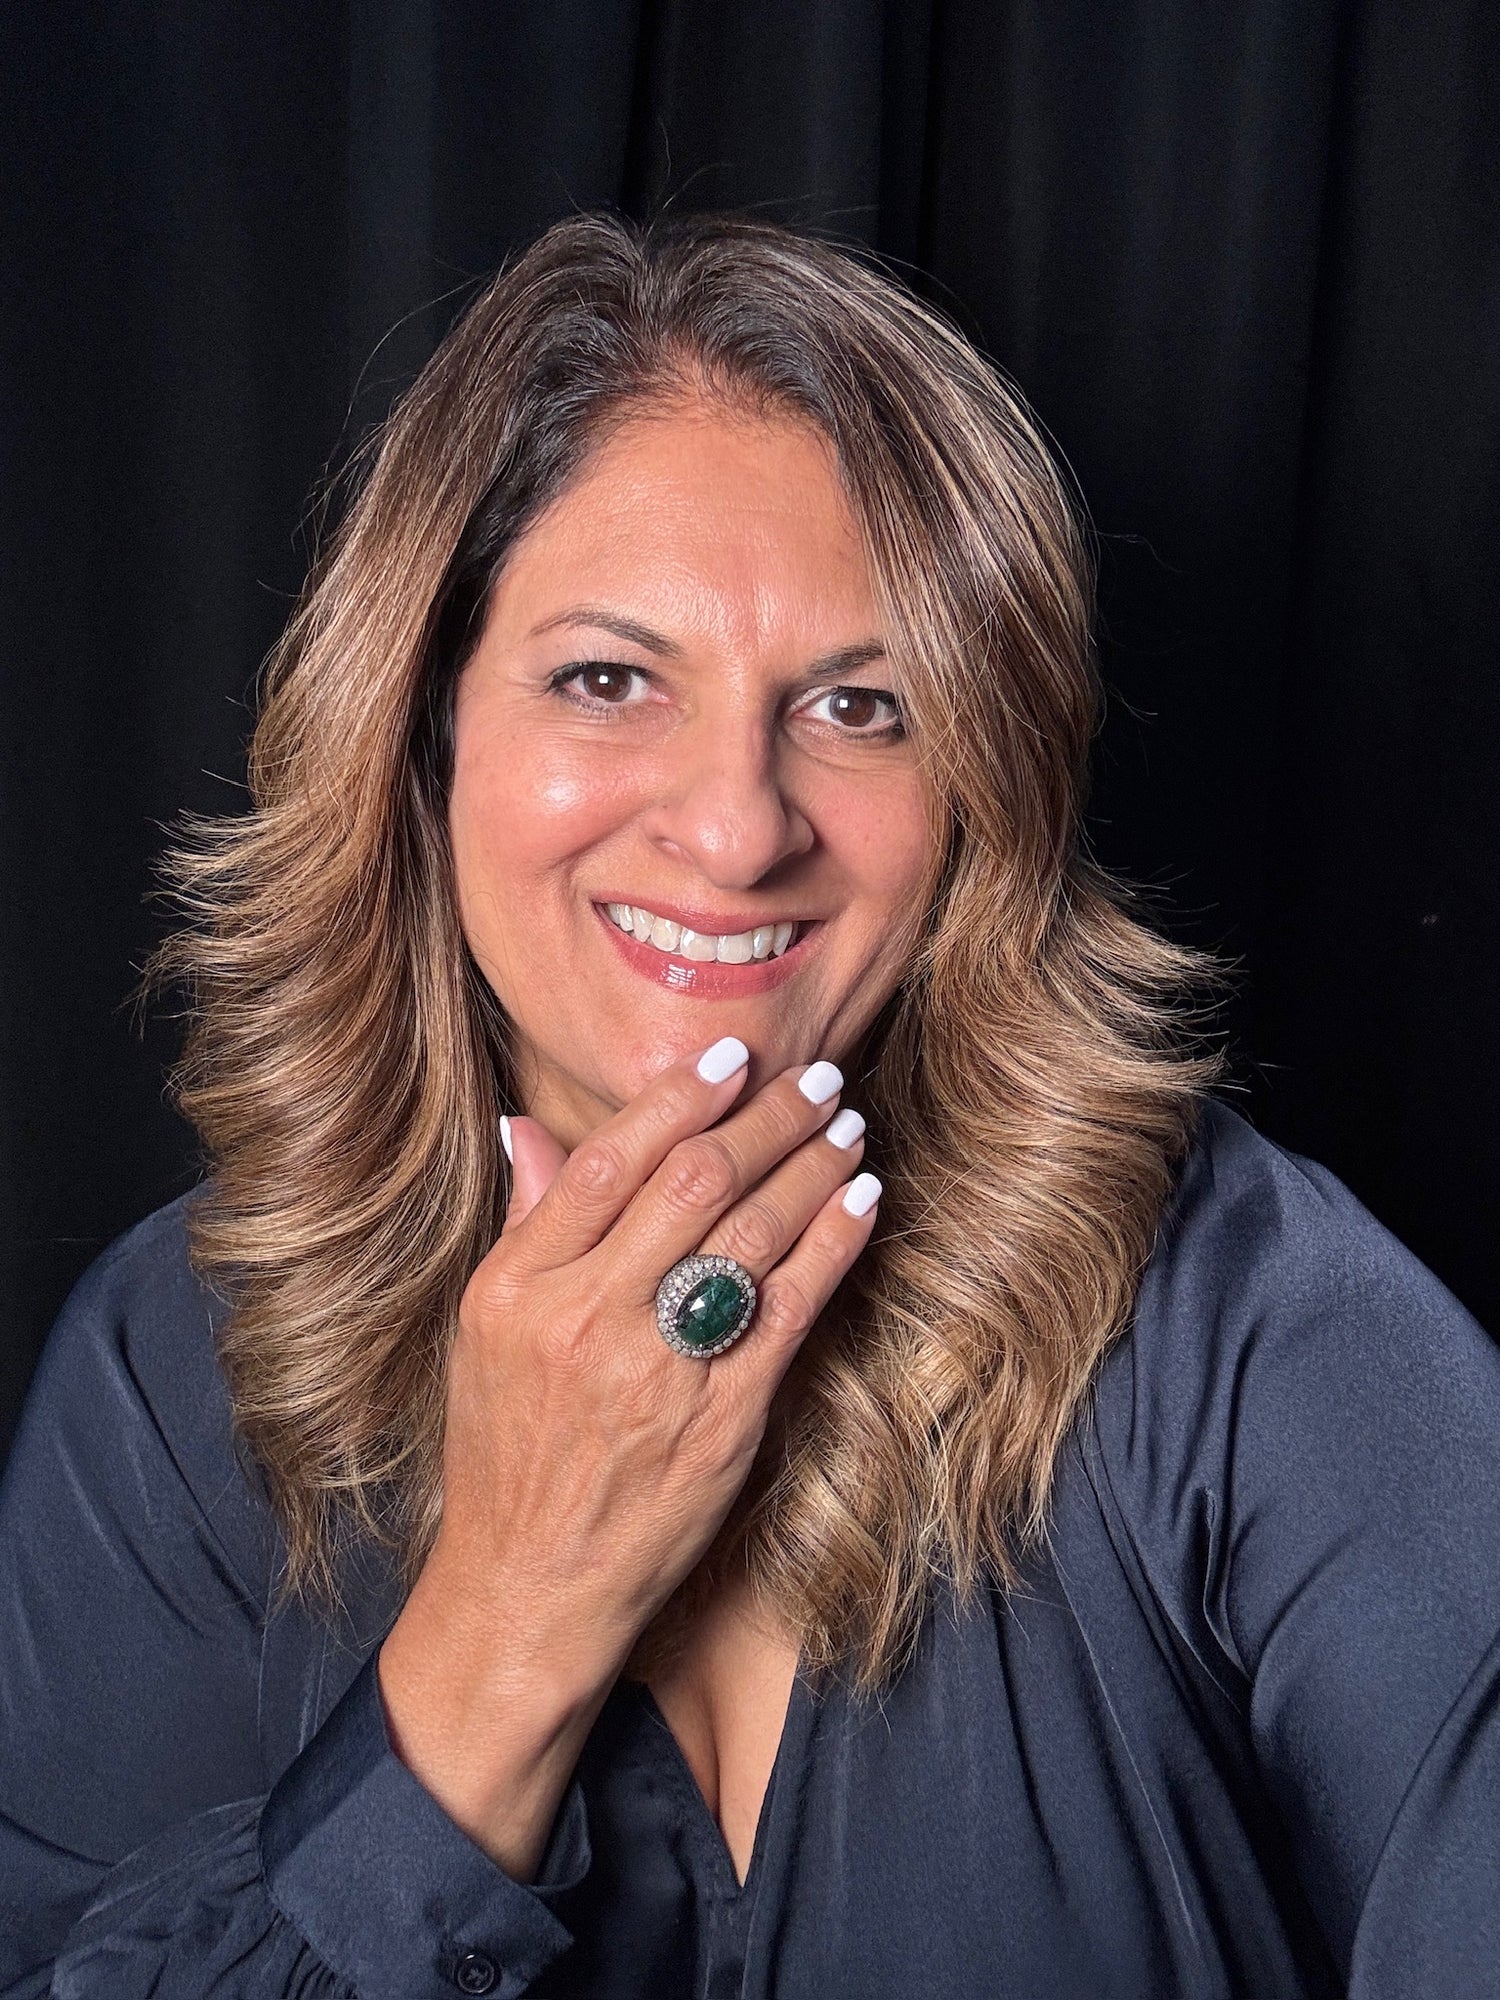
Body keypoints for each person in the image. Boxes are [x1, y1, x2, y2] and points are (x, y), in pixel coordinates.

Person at [1, 212, 1496, 2000]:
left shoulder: (1247, 1320)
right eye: (609, 679)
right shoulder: (171, 1380)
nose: (736, 827)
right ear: (422, 735)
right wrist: (514, 1612)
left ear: (985, 788)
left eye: (865, 706)